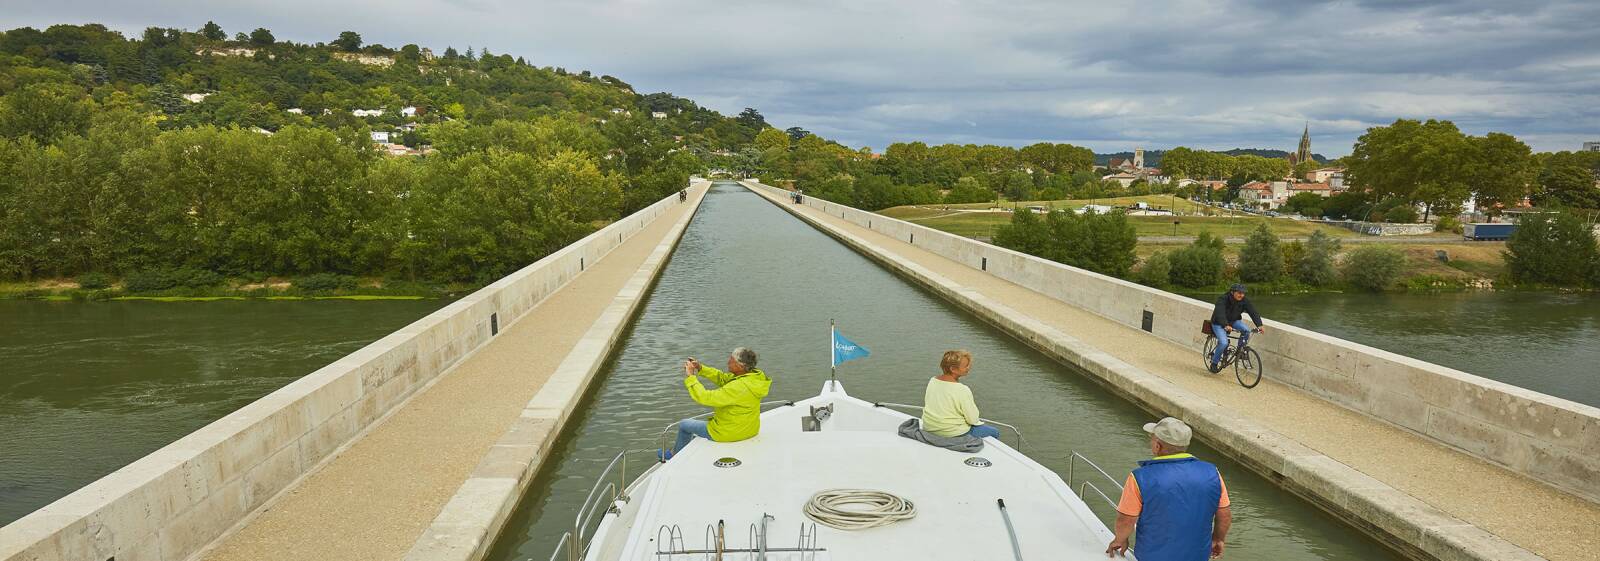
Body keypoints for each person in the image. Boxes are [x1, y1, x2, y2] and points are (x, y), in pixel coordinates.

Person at [1106, 417, 1232, 560]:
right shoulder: (1212, 472)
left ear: (1158, 446)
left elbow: (1126, 520)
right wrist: (1218, 539)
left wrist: (1120, 539)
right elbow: (1224, 515)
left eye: (1151, 438)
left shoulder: (1139, 477)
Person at [664, 347, 772, 459]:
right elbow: (723, 378)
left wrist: (691, 376)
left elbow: (705, 398)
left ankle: (674, 455)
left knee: (684, 424)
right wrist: (700, 368)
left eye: (731, 360)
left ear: (741, 366)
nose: (728, 362)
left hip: (728, 432)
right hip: (750, 429)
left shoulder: (738, 387)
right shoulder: (754, 377)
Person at [920, 350, 1001, 440]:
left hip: (929, 428)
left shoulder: (932, 380)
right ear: (953, 369)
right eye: (966, 366)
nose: (968, 368)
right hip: (952, 433)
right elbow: (973, 420)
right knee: (995, 432)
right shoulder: (962, 389)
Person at [1208, 284, 1265, 373]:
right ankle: (1214, 363)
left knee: (1246, 330)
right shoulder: (1223, 299)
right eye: (1239, 293)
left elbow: (1253, 311)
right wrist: (1225, 325)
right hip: (1219, 323)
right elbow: (1220, 313)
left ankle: (1240, 350)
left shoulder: (1244, 300)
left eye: (1243, 293)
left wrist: (1259, 325)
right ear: (1232, 292)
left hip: (1233, 321)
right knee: (1223, 343)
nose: (1241, 295)